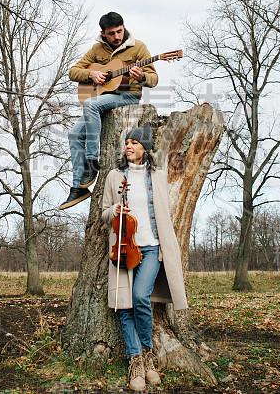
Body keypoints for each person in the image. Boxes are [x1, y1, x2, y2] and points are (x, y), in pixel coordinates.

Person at [101, 126, 188, 391]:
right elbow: (103, 215)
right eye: (126, 142)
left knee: (140, 296)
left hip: (151, 248)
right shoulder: (114, 177)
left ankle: (148, 354)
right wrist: (114, 210)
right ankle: (136, 362)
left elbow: (164, 213)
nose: (128, 146)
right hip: (124, 249)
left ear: (145, 148)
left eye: (134, 143)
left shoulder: (158, 176)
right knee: (125, 306)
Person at [59, 12, 158, 210]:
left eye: (119, 31)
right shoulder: (97, 49)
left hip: (127, 97)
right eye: (111, 33)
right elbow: (73, 71)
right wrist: (91, 74)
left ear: (124, 27)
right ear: (103, 33)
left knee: (90, 104)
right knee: (74, 134)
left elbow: (153, 78)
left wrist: (141, 78)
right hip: (103, 99)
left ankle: (92, 162)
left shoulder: (138, 47)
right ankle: (79, 187)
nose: (117, 37)